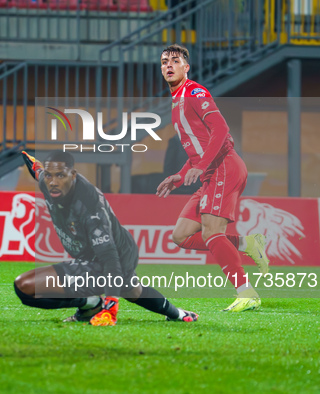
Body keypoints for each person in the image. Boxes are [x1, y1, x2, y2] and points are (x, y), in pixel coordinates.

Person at [14, 150, 198, 326]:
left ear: (73, 175)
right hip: (106, 254)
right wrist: (36, 166)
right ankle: (179, 314)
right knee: (132, 290)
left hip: (113, 257)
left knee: (25, 287)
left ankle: (92, 303)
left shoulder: (89, 204)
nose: (53, 181)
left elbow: (110, 258)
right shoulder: (47, 182)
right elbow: (38, 173)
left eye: (60, 175)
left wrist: (111, 307)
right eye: (48, 175)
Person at [156, 44, 270, 312]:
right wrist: (181, 175)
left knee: (212, 233)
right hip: (211, 172)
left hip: (223, 167)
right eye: (164, 62)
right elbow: (197, 147)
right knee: (181, 235)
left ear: (187, 67)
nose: (168, 65)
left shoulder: (195, 91)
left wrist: (204, 165)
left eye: (175, 61)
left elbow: (221, 129)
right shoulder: (177, 101)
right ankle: (247, 243)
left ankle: (247, 293)